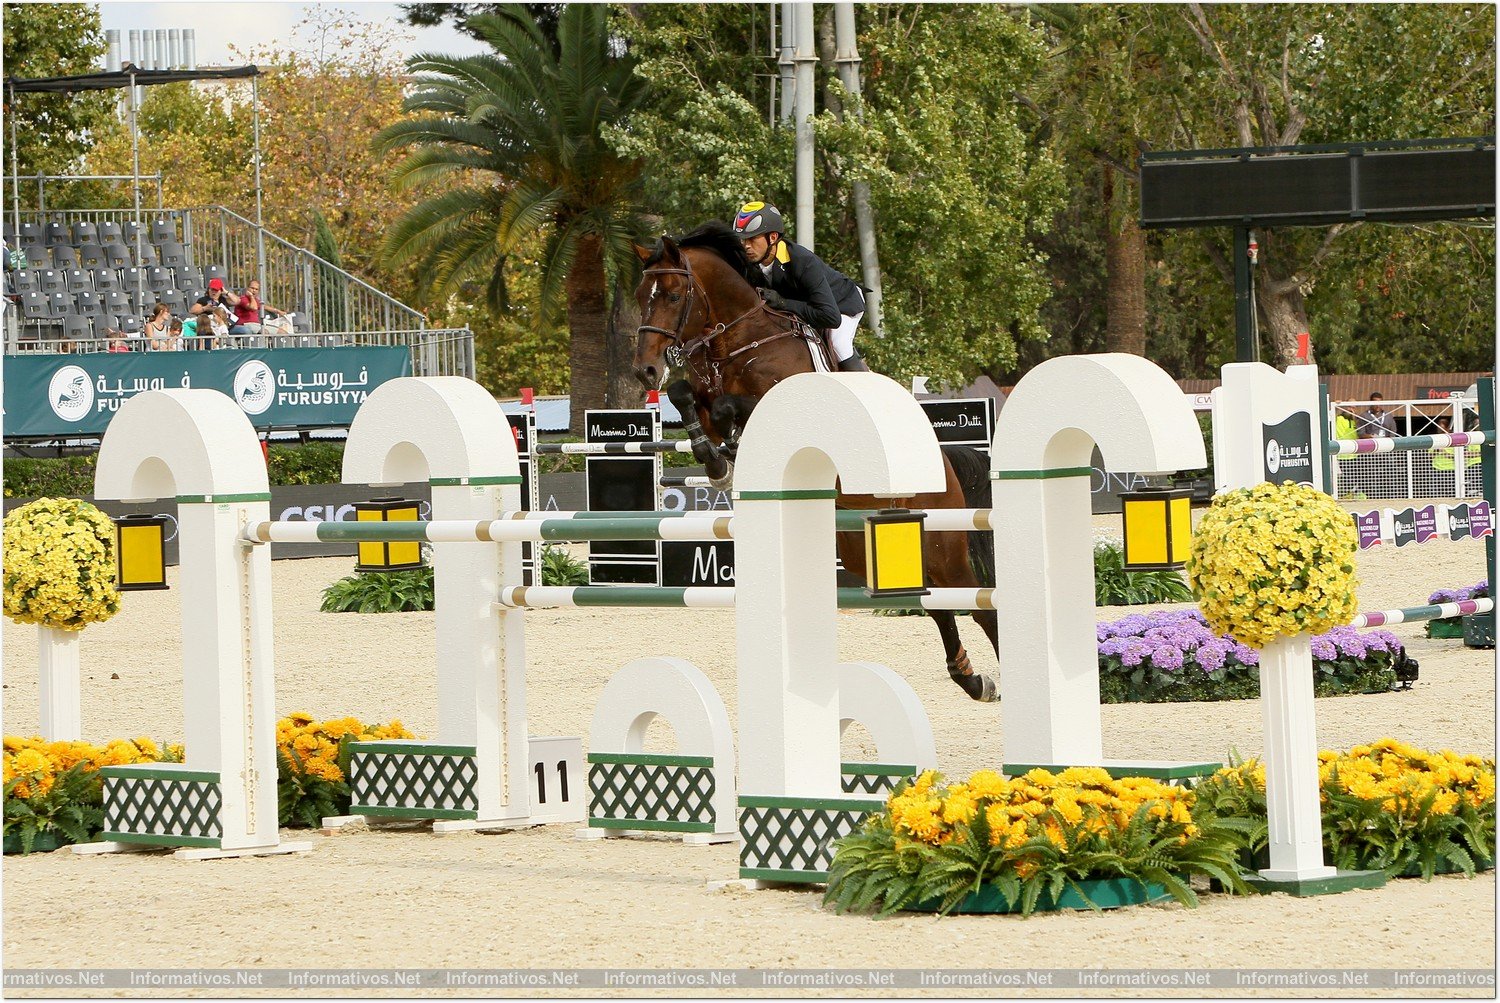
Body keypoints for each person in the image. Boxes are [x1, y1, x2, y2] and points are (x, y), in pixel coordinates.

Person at [731, 200, 869, 372]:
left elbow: (830, 318)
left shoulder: (803, 262)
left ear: (772, 237)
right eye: (743, 240)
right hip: (810, 305)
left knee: (838, 344)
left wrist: (783, 303)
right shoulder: (751, 262)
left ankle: (863, 389)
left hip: (841, 303)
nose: (746, 246)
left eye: (752, 239)